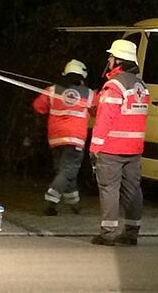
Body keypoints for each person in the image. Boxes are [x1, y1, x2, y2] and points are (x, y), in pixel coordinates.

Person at [89, 40, 148, 246]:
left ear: (118, 60)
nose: (108, 60)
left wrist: (95, 147)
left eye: (111, 57)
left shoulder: (114, 86)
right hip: (134, 149)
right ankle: (132, 232)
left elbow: (105, 119)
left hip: (111, 148)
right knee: (133, 190)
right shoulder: (141, 86)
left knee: (109, 189)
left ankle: (108, 234)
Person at [31, 59, 94, 216]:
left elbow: (38, 107)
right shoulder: (89, 93)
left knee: (64, 171)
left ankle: (75, 203)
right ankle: (50, 201)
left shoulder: (52, 90)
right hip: (75, 139)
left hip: (55, 139)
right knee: (68, 171)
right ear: (82, 75)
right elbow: (97, 111)